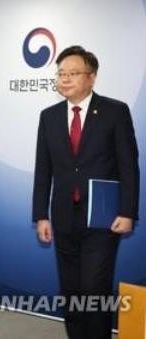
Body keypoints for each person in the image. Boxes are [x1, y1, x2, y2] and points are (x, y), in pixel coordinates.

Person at [32, 45, 139, 339]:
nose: (65, 79)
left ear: (91, 78)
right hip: (64, 216)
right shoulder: (49, 116)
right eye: (61, 74)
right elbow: (44, 170)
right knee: (72, 291)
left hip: (103, 218)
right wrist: (41, 215)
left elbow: (128, 165)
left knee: (94, 288)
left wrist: (128, 211)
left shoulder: (115, 111)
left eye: (73, 73)